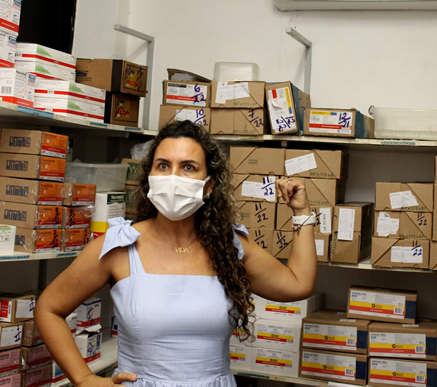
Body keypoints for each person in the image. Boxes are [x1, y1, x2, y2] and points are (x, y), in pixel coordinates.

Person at [35, 121, 318, 387]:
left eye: (188, 167)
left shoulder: (230, 247)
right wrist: (84, 379)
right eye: (163, 165)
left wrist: (301, 213)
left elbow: (298, 283)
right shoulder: (120, 245)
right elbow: (49, 308)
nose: (173, 177)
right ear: (150, 177)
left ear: (209, 185)